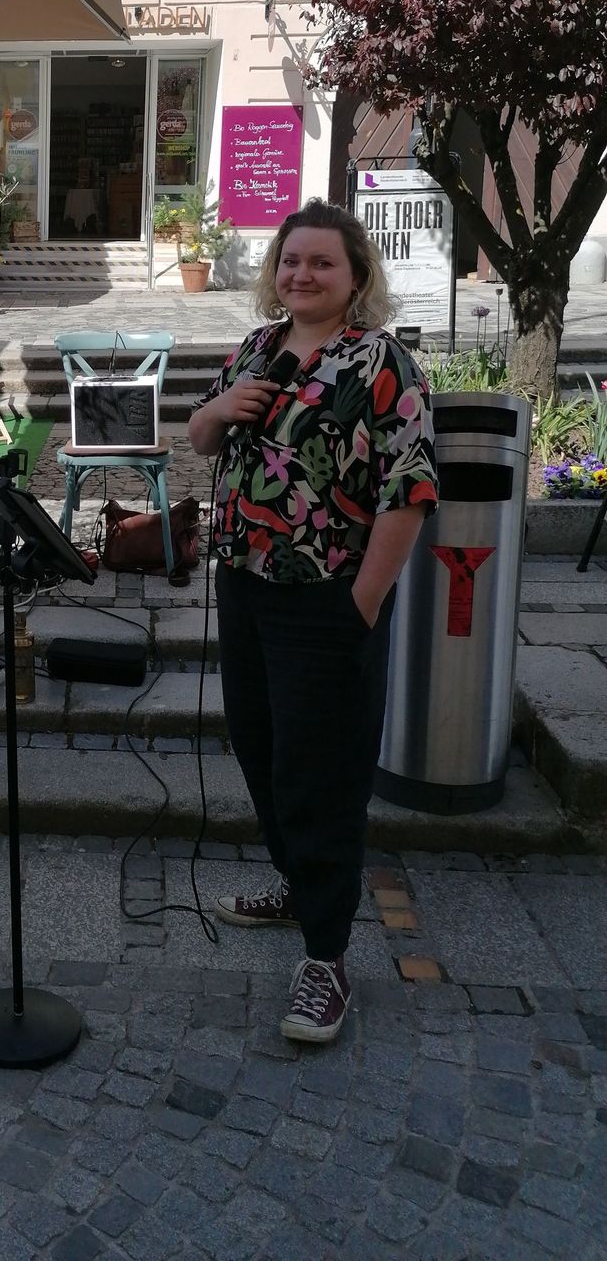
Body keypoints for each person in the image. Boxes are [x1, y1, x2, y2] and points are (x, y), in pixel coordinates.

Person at [188, 198, 437, 1044]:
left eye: (322, 263)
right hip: (247, 587)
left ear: (356, 275)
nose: (302, 275)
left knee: (321, 772)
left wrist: (362, 602)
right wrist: (224, 411)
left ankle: (327, 960)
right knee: (261, 747)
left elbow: (411, 491)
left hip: (326, 600)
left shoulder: (380, 363)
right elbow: (198, 435)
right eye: (292, 261)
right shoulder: (259, 347)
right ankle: (299, 886)